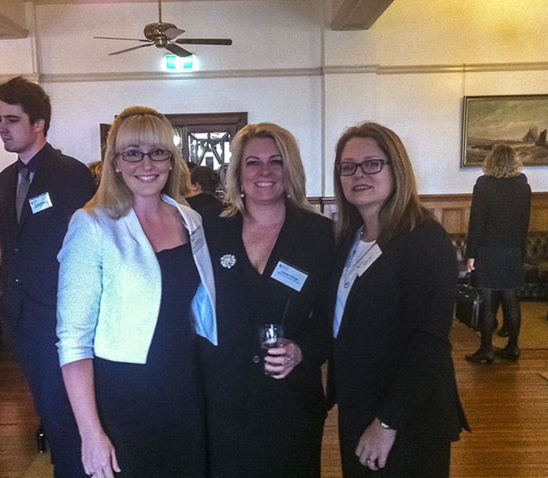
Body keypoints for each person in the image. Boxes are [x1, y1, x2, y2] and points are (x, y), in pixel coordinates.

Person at [56, 106, 217, 478]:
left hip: (185, 386)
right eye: (132, 152)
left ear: (172, 160)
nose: (146, 163)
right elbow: (73, 340)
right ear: (115, 162)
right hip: (123, 396)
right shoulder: (92, 224)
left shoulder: (190, 219)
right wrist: (90, 433)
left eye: (157, 152)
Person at [327, 122, 469, 477]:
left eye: (372, 164)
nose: (358, 174)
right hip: (358, 404)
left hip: (407, 415)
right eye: (348, 167)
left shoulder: (425, 240)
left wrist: (387, 422)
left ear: (397, 168)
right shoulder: (349, 238)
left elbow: (429, 342)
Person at [198, 122, 334, 477]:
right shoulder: (208, 228)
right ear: (237, 172)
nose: (265, 171)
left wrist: (301, 350)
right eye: (253, 162)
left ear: (291, 170)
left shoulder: (320, 235)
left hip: (289, 401)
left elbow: (331, 320)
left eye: (276, 161)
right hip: (220, 398)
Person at [0, 76, 96, 477]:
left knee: (64, 416)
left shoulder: (70, 174)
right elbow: (12, 245)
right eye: (0, 119)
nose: (2, 127)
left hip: (59, 316)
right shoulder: (6, 179)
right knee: (47, 413)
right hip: (21, 318)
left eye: (12, 120)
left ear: (38, 124)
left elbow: (86, 247)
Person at [464, 144, 531, 363]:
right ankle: (513, 347)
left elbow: (477, 222)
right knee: (511, 299)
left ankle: (486, 349)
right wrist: (521, 251)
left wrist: (471, 254)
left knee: (488, 300)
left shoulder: (483, 185)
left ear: (491, 161)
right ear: (514, 161)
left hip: (488, 250)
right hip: (513, 249)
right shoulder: (523, 185)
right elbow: (524, 223)